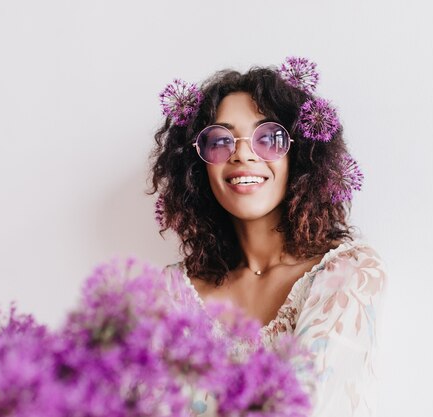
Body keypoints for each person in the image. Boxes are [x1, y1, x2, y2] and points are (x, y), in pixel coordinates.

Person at [148, 58, 387, 417]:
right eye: (220, 141)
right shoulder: (168, 294)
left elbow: (307, 407)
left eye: (268, 138)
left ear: (301, 156)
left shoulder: (350, 274)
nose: (242, 153)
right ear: (199, 168)